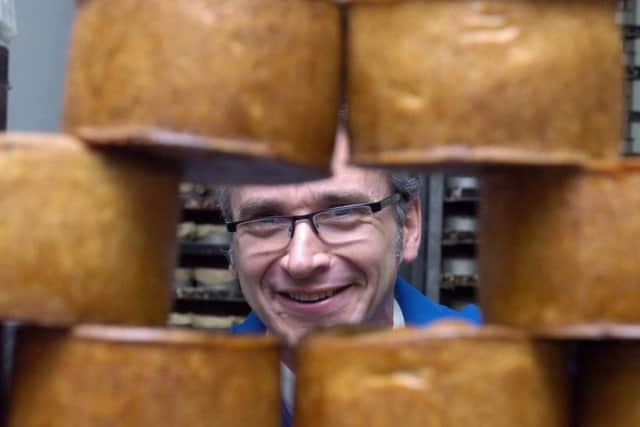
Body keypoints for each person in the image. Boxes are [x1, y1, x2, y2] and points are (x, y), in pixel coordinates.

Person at [217, 129, 481, 426]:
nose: (301, 261)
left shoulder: (499, 374)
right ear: (235, 249)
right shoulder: (193, 403)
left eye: (342, 213)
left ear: (408, 226)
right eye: (265, 220)